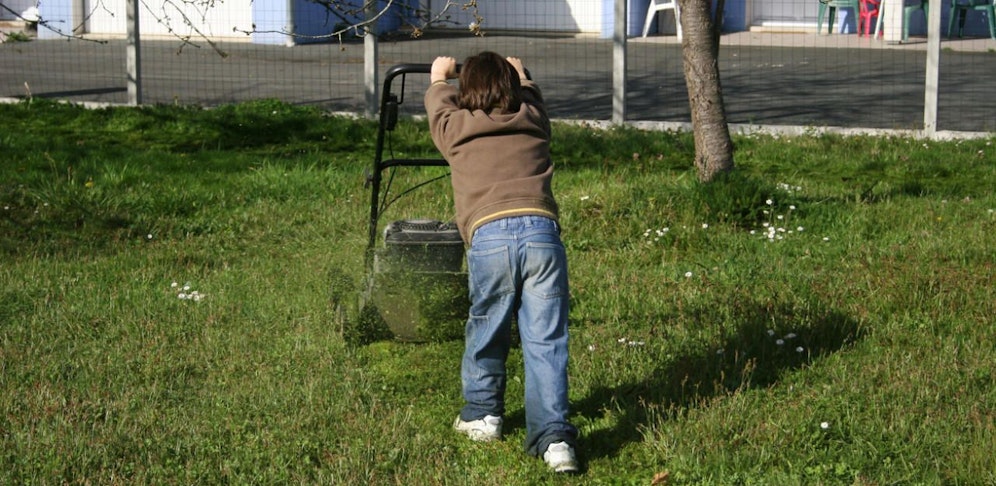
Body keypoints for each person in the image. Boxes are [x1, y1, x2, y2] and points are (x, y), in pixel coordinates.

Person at [424, 51, 579, 473]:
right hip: (543, 236)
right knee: (546, 339)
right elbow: (534, 99)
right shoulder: (533, 120)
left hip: (490, 237)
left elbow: (439, 107)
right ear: (515, 87)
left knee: (488, 326)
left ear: (465, 91)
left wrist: (440, 78)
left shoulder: (456, 128)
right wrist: (523, 76)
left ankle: (482, 415)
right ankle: (555, 440)